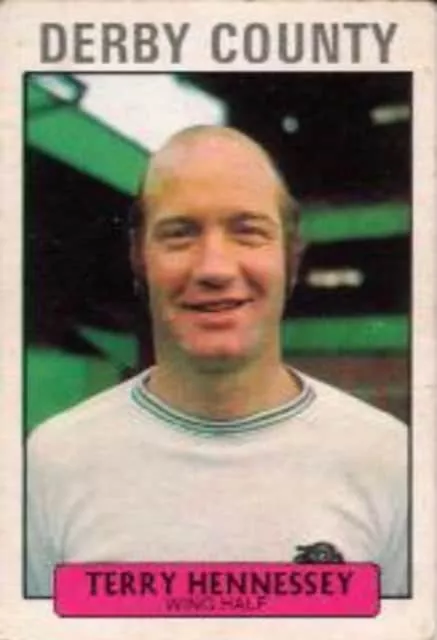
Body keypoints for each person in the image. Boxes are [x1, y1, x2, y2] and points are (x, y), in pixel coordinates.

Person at [26, 125, 408, 598]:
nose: (214, 268)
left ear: (290, 258)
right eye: (180, 234)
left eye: (248, 232)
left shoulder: (390, 459)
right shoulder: (53, 461)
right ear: (139, 258)